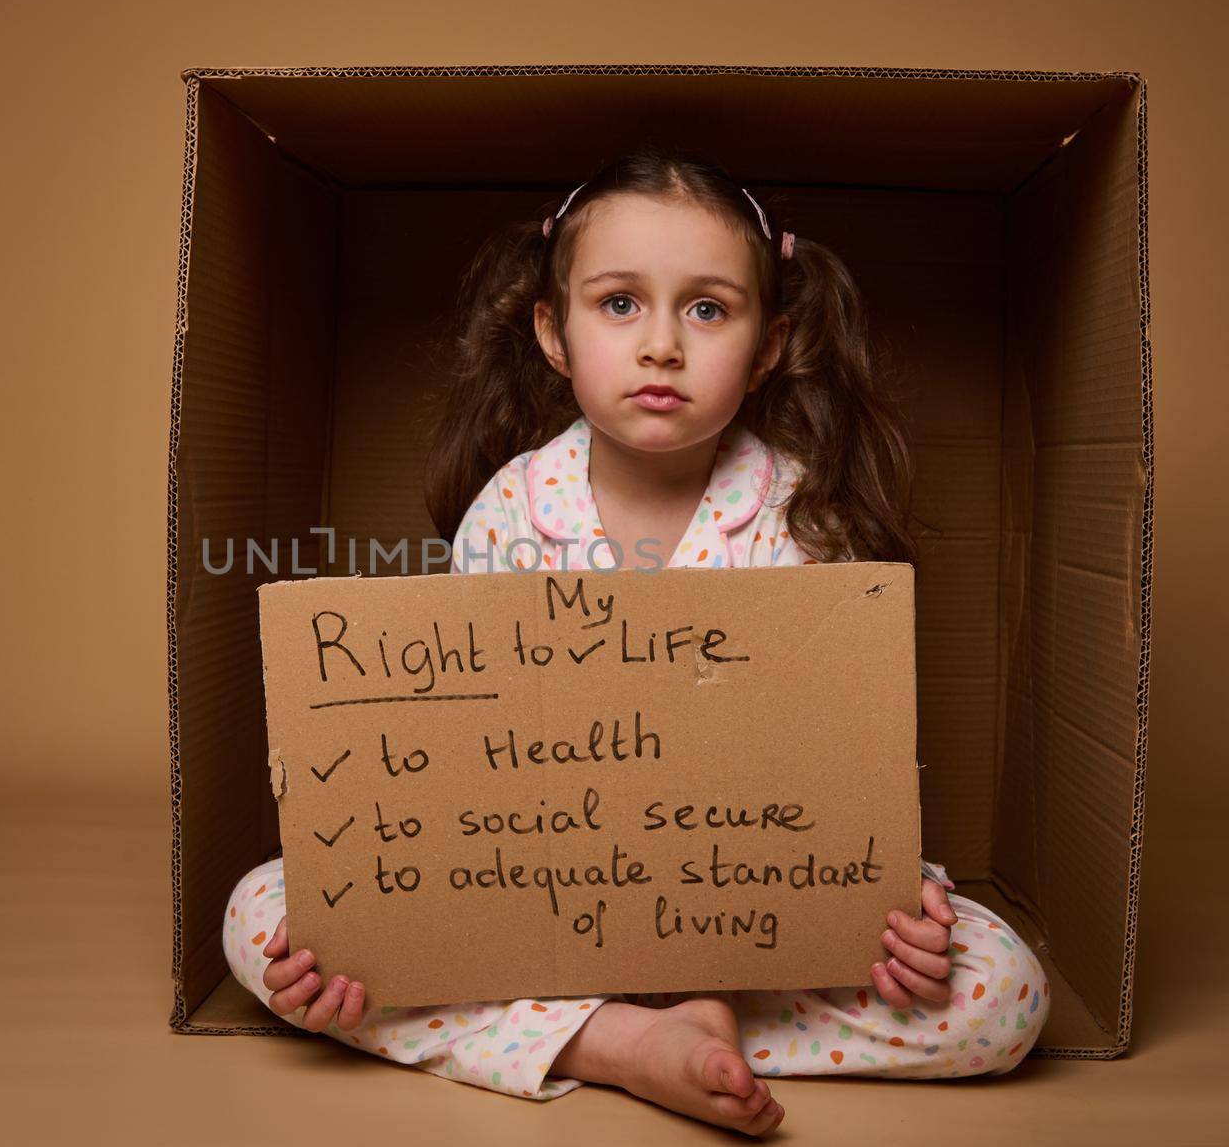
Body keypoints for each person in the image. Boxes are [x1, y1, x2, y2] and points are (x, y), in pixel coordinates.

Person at [221, 146, 1051, 1136]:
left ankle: (676, 1023)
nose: (662, 344)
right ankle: (616, 1042)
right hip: (532, 904)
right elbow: (452, 761)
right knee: (264, 917)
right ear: (554, 334)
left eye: (707, 309)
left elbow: (848, 773)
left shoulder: (805, 522)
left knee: (1003, 989)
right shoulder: (510, 513)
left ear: (771, 342)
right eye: (619, 304)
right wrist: (378, 925)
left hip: (746, 921)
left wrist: (899, 903)